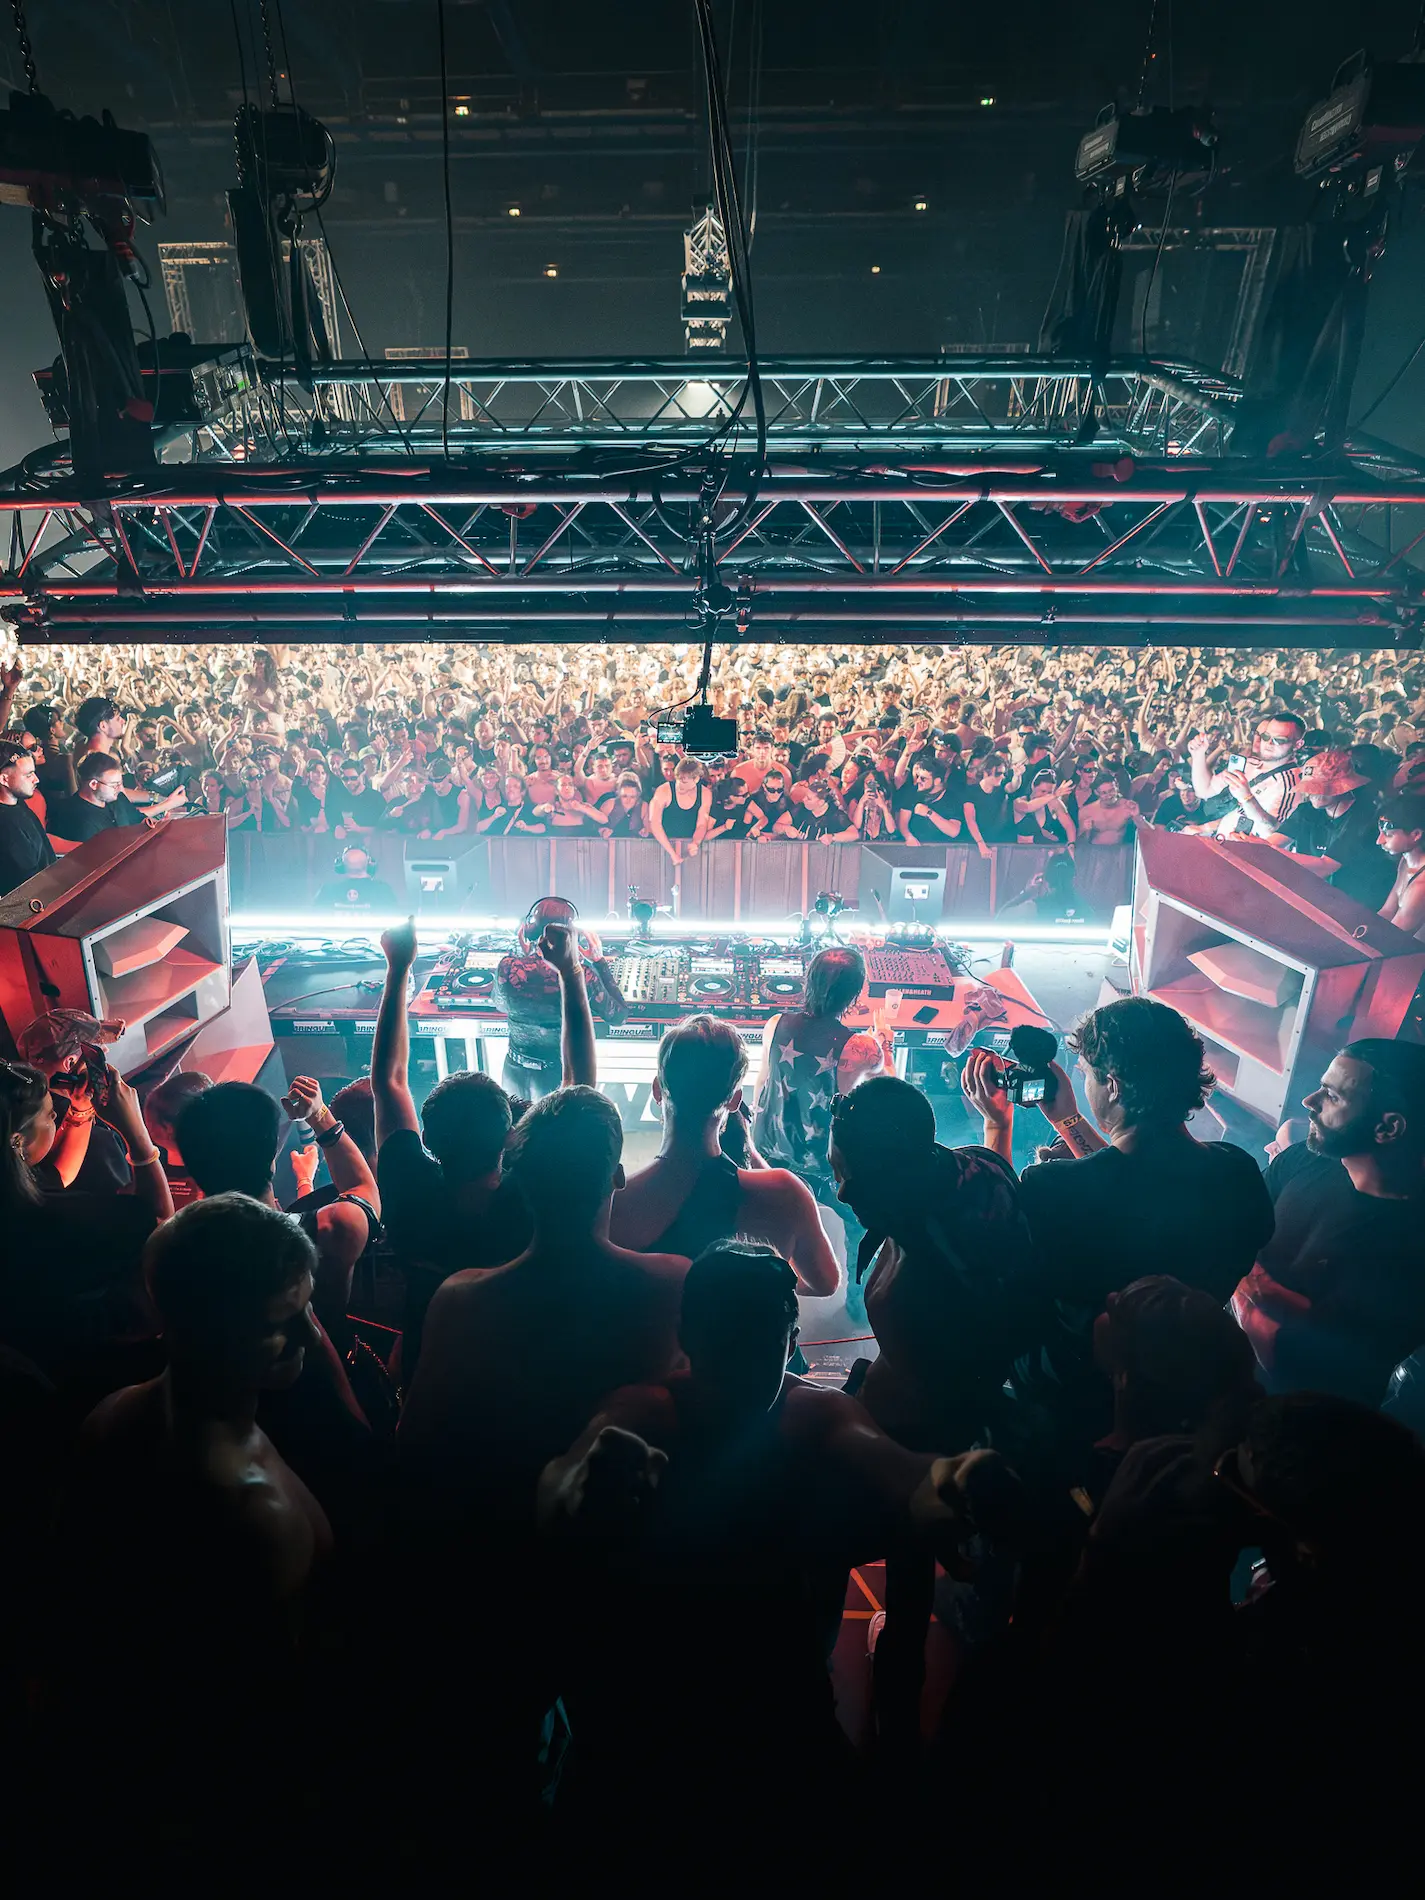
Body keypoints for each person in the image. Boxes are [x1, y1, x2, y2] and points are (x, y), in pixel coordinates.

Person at [538, 1241, 1020, 1840]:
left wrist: (945, 1481)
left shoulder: (810, 1414)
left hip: (766, 1703)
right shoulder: (649, 1409)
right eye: (729, 1331)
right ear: (688, 1335)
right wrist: (577, 1491)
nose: (744, 1355)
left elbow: (897, 1468)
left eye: (762, 1329)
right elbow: (567, 1475)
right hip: (663, 1708)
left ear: (791, 1340)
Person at [56, 1196, 331, 1831]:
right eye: (280, 1321)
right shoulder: (249, 1509)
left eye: (307, 1308)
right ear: (206, 1325)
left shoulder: (114, 1411)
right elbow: (269, 1708)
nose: (308, 1337)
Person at [963, 997, 1273, 1432]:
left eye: (1087, 1074)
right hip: (1185, 1375)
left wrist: (997, 1124)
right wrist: (1068, 1120)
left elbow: (992, 1237)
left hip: (1073, 1385)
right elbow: (1133, 1180)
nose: (1083, 1083)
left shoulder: (1053, 1189)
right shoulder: (1236, 1171)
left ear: (1112, 1085)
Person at [399, 1086, 691, 1530]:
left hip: (498, 1530)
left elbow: (416, 1444)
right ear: (616, 1176)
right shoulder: (673, 1283)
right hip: (629, 1533)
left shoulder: (461, 1298)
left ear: (524, 1179)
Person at [371, 915, 588, 1378]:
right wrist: (571, 972)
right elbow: (578, 1086)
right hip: (522, 1370)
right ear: (512, 1138)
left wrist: (399, 969)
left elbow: (388, 1081)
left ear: (427, 1139)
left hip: (426, 1370)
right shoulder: (530, 1196)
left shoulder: (407, 1186)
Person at [1232, 1040, 1425, 1404]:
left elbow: (1301, 1368)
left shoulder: (1409, 1250)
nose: (1309, 1101)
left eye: (1332, 1097)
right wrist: (1258, 1295)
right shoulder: (1304, 1158)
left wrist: (1244, 1286)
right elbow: (1230, 1226)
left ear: (1388, 1128)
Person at [610, 1014, 839, 1295]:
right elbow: (825, 1283)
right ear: (734, 1100)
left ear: (657, 1090)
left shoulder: (616, 1203)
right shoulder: (786, 1193)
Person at [752, 945, 886, 1215]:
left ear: (808, 980)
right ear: (854, 994)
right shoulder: (863, 1048)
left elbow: (761, 1085)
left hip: (767, 1149)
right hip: (821, 1165)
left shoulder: (775, 1024)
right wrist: (886, 1044)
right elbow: (891, 1092)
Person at [493, 896, 627, 1103]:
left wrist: (523, 955)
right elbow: (619, 1016)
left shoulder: (508, 967)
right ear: (572, 935)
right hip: (558, 1074)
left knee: (518, 1131)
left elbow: (500, 1004)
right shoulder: (582, 974)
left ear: (529, 930)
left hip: (514, 1069)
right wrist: (599, 961)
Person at [1270, 745, 1394, 908]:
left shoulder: (1365, 817)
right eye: (1309, 787)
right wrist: (1251, 844)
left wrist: (1271, 852)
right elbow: (1274, 842)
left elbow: (1326, 866)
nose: (1312, 793)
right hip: (1310, 896)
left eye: (1318, 788)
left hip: (1351, 903)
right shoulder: (1306, 810)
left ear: (1344, 787)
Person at [0, 737, 55, 895]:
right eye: (28, 775)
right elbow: (27, 887)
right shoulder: (6, 826)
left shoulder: (18, 804)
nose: (36, 779)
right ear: (4, 779)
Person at [44, 752, 130, 844]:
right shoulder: (79, 822)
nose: (120, 789)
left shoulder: (114, 800)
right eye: (114, 785)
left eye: (120, 783)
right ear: (93, 784)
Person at [1375, 793, 1425, 936]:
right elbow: (1387, 911)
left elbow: (1393, 937)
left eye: (1388, 834)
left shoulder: (1421, 885)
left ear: (1416, 834)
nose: (1379, 841)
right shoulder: (1406, 861)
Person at [647, 756, 711, 864]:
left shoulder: (705, 794)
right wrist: (672, 853)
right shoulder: (663, 790)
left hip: (689, 848)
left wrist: (695, 842)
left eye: (685, 782)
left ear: (696, 779)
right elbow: (654, 823)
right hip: (661, 845)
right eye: (678, 780)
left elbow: (702, 824)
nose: (680, 785)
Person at [313, 842, 399, 912]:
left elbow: (315, 918)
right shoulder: (383, 890)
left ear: (340, 865)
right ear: (370, 864)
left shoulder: (327, 890)